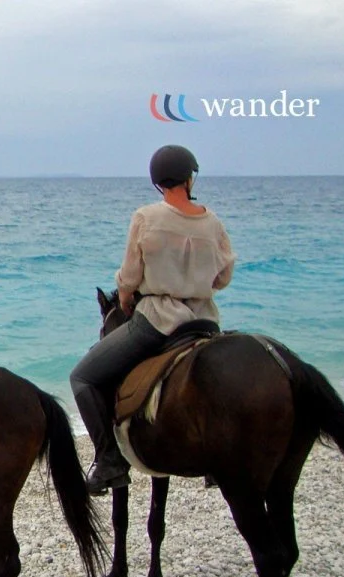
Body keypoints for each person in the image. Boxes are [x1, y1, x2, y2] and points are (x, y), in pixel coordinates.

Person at [70, 145, 236, 494]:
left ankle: (110, 462)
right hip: (205, 322)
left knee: (83, 377)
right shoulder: (213, 222)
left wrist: (127, 298)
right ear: (190, 178)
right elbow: (223, 278)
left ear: (158, 182)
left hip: (158, 321)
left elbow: (129, 278)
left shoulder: (146, 217)